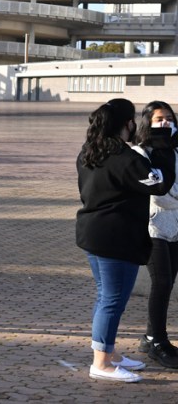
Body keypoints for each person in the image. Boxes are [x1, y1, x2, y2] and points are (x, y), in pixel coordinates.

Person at [77, 98, 176, 382]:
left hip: (93, 234)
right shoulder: (125, 157)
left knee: (106, 297)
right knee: (112, 301)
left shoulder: (90, 151)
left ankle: (108, 352)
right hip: (115, 239)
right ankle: (101, 364)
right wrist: (162, 146)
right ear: (127, 125)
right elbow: (159, 183)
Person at [131, 101, 178, 369]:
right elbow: (158, 189)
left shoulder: (175, 150)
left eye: (169, 118)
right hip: (154, 226)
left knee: (168, 283)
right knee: (160, 283)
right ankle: (158, 341)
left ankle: (151, 336)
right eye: (159, 118)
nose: (165, 123)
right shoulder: (141, 152)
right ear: (147, 121)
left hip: (176, 225)